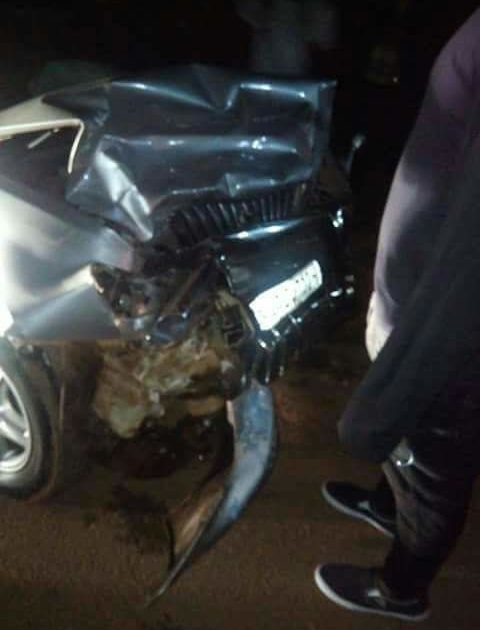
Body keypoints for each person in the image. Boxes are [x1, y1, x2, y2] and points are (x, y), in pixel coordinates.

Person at [314, 7, 480, 621]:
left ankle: (402, 588)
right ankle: (389, 505)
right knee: (414, 447)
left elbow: (470, 276)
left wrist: (384, 402)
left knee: (437, 469)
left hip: (448, 335)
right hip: (416, 301)